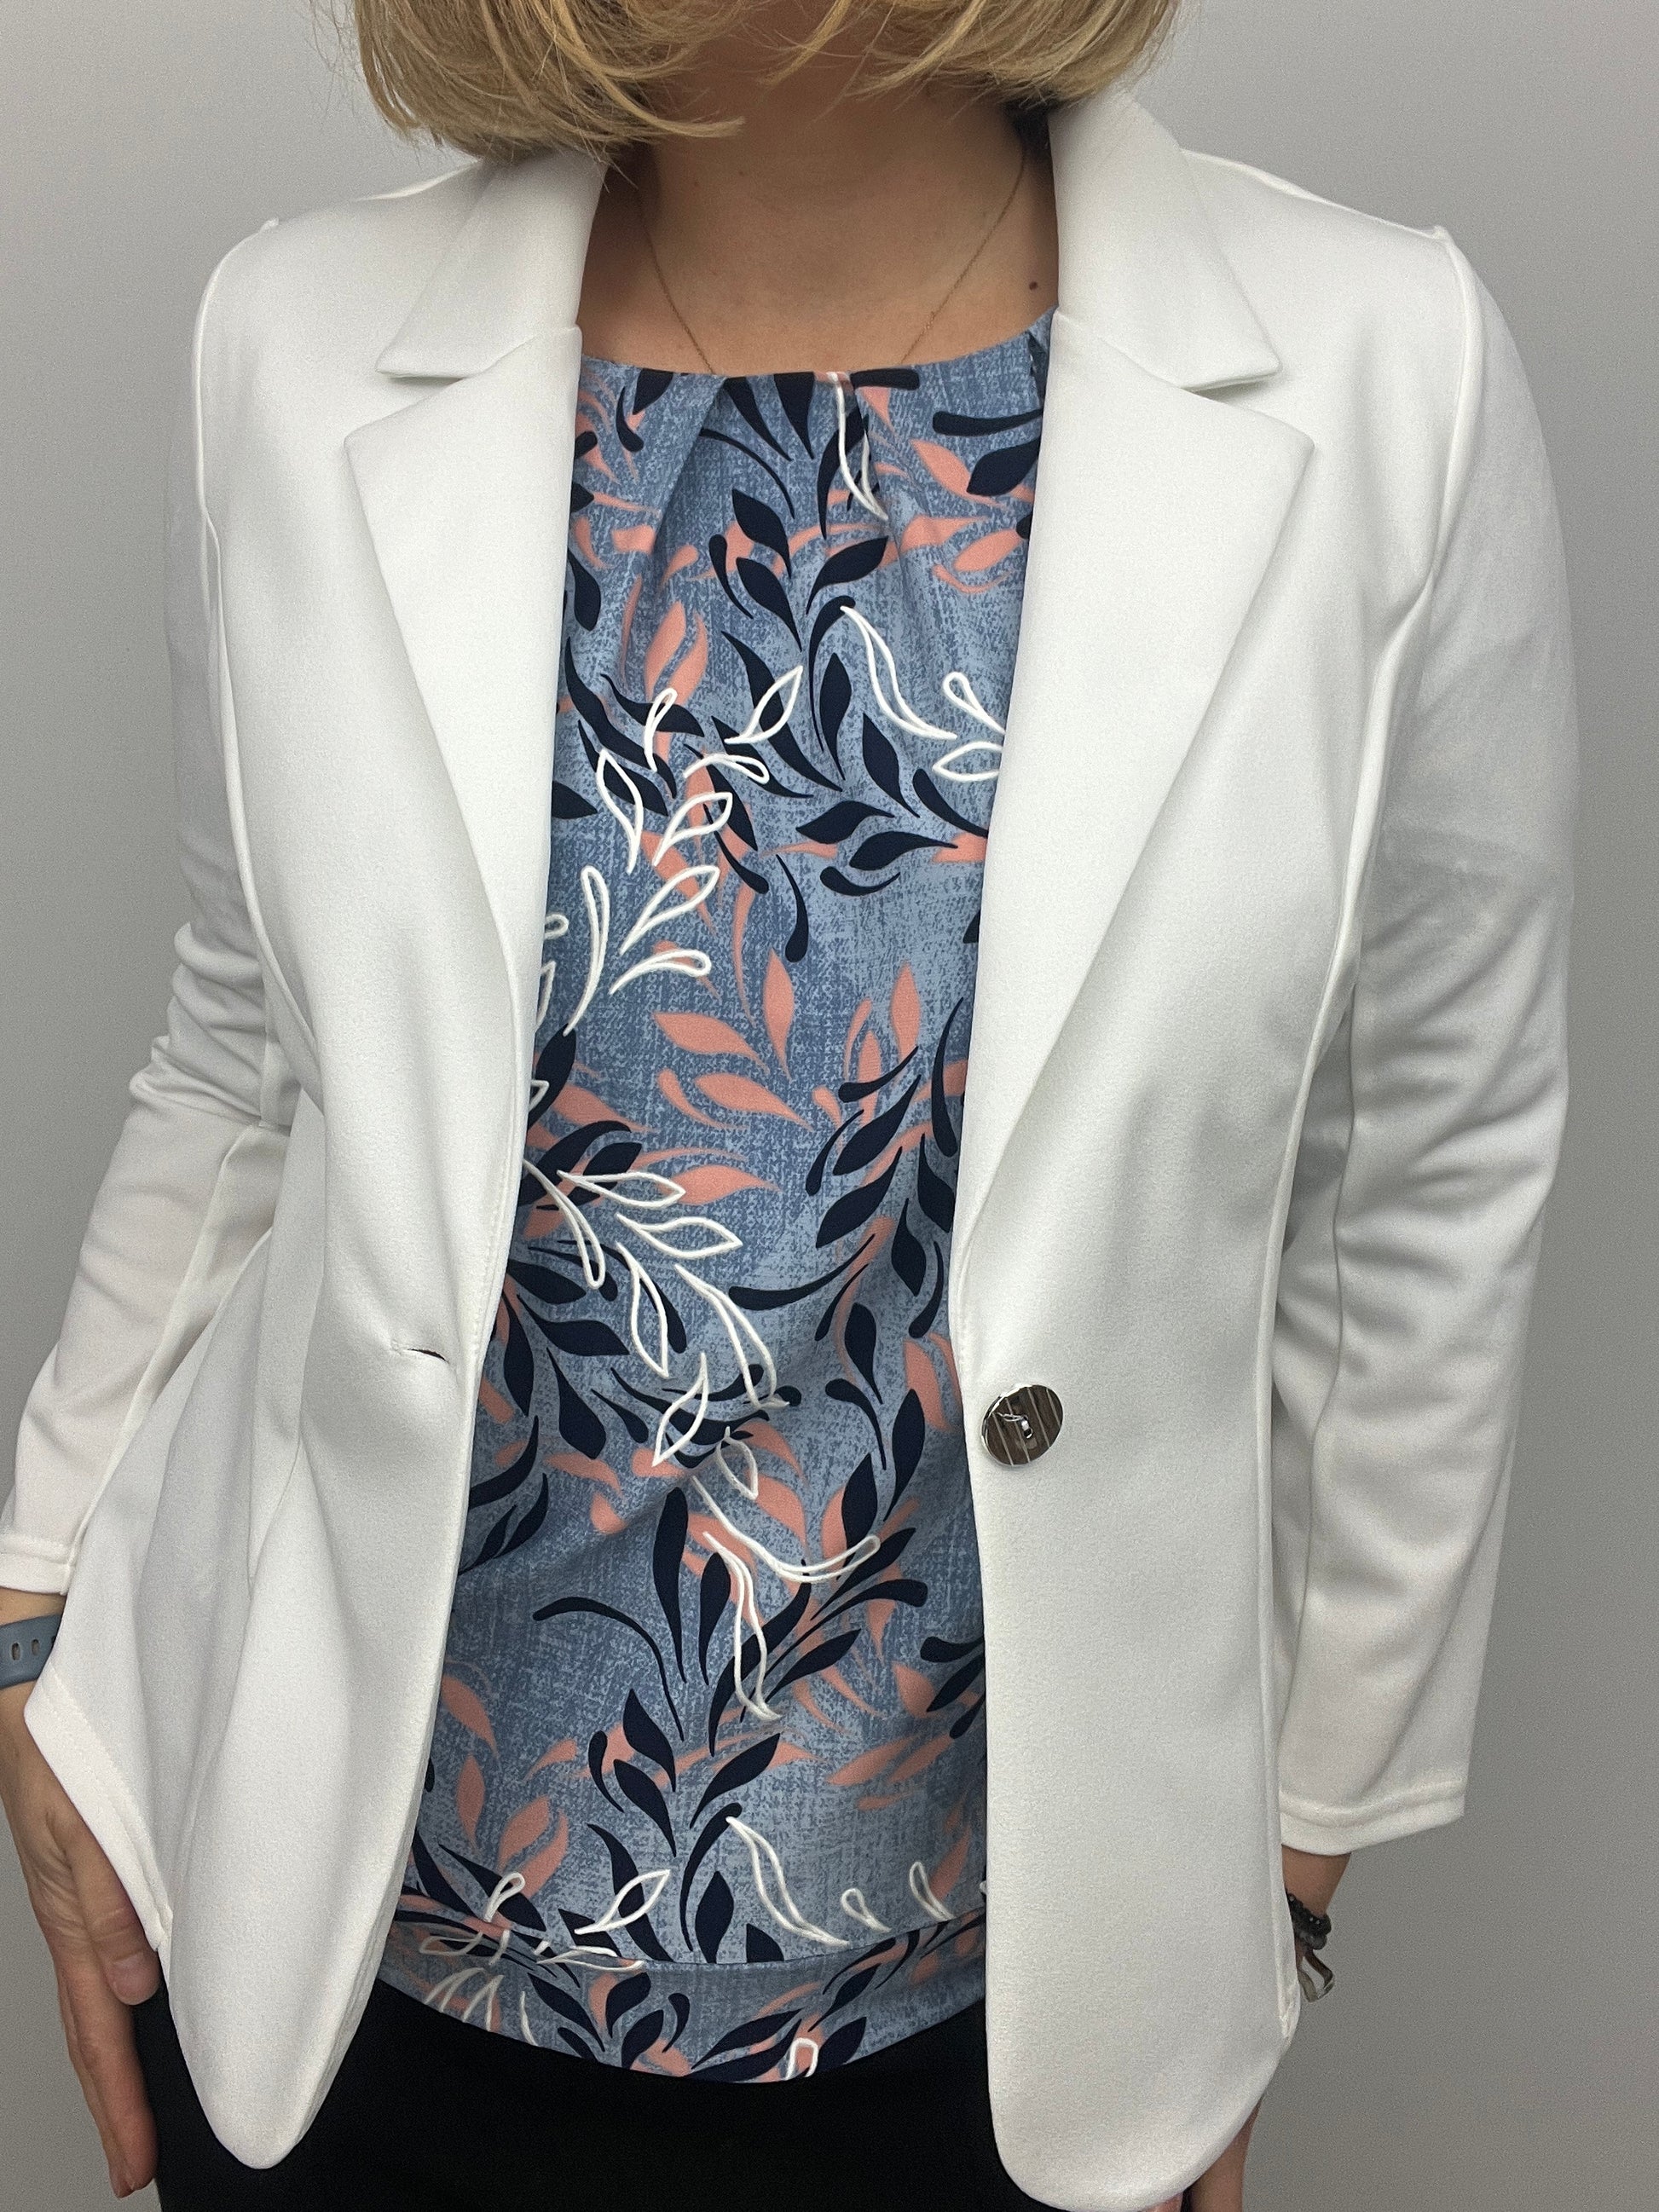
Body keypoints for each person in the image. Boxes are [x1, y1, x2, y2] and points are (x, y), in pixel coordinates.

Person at [0, 1, 1577, 2206]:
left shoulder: (1379, 371)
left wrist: (1281, 1874)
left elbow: (1423, 1171)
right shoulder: (291, 339)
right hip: (321, 1952)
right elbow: (245, 1044)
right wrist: (34, 1603)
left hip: (1001, 2020)